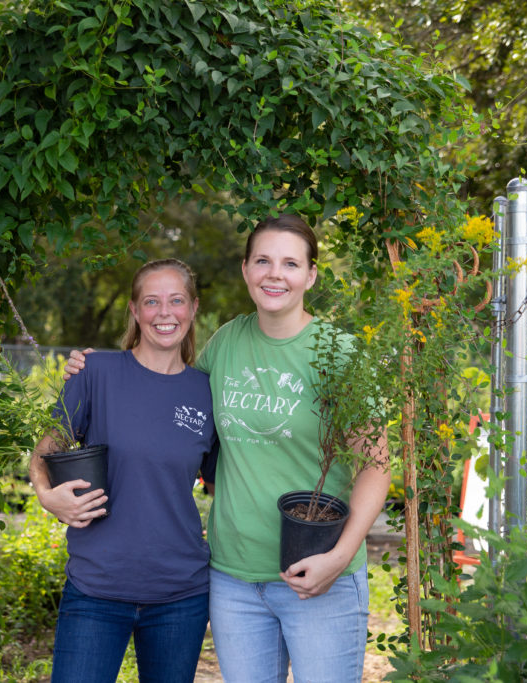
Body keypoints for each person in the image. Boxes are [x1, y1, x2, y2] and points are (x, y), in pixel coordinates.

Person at [67, 214, 390, 682]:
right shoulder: (226, 344)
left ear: (311, 274)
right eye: (263, 261)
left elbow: (377, 464)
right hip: (233, 580)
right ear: (245, 270)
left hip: (319, 575)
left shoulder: (339, 353)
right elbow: (165, 395)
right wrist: (96, 367)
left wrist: (338, 558)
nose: (274, 274)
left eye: (290, 263)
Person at [30, 258, 218, 683]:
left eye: (176, 301)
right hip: (96, 589)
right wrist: (46, 495)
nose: (164, 313)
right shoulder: (96, 372)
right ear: (134, 310)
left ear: (193, 308)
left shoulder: (206, 391)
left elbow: (225, 479)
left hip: (180, 595)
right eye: (152, 302)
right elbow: (47, 447)